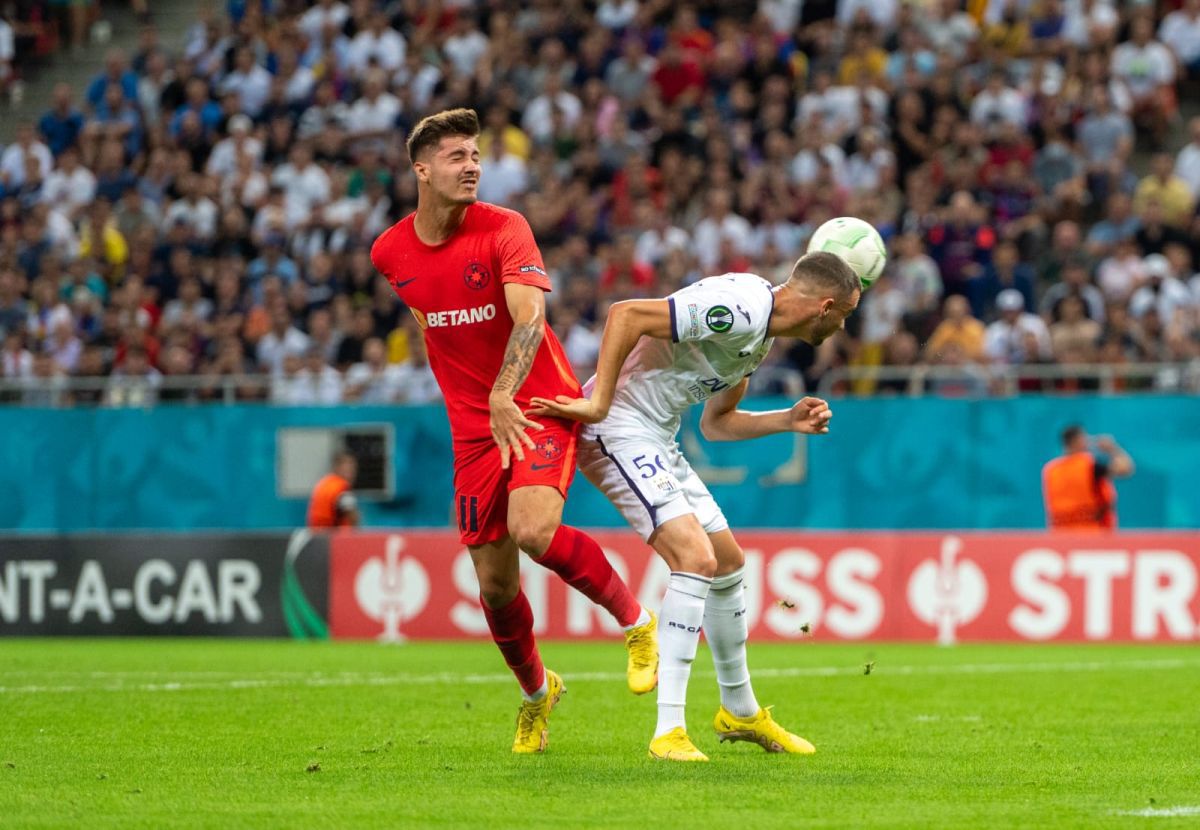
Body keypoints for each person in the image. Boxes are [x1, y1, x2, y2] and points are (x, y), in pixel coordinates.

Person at [369, 108, 657, 754]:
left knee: (533, 531)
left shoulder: (506, 229)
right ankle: (536, 693)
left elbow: (529, 320)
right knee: (495, 588)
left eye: (475, 155)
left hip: (537, 405)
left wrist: (503, 391)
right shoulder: (389, 252)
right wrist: (475, 396)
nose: (472, 166)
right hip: (472, 432)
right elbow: (428, 314)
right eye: (456, 157)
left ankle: (638, 622)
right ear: (422, 170)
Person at [530, 251, 860, 761]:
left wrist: (785, 420)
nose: (843, 327)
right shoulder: (739, 308)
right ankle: (668, 732)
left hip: (658, 438)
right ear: (826, 306)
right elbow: (627, 314)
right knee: (695, 559)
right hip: (615, 428)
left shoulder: (757, 338)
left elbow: (716, 424)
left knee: (727, 562)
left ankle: (740, 710)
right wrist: (598, 403)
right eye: (846, 315)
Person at [1042, 425, 1134, 531]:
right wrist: (1112, 448)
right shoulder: (1089, 465)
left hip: (1061, 535)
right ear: (1077, 441)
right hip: (1093, 534)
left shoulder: (1051, 470)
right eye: (1085, 438)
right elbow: (1126, 469)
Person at [306, 451, 360, 528]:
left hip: (316, 534)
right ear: (337, 467)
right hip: (334, 536)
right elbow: (351, 513)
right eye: (348, 468)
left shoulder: (323, 484)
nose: (352, 472)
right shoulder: (341, 488)